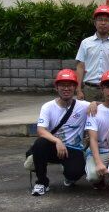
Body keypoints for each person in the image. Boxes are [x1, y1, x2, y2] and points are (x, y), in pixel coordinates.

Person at [27, 68, 91, 196]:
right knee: (40, 143)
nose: (66, 88)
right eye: (62, 85)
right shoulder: (48, 107)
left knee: (75, 173)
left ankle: (69, 176)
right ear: (56, 87)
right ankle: (42, 182)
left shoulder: (84, 105)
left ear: (75, 87)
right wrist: (57, 141)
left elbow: (105, 106)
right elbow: (41, 130)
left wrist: (94, 103)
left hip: (73, 149)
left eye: (70, 85)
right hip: (53, 147)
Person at [75, 5, 109, 102]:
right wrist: (78, 90)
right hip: (89, 90)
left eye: (106, 20)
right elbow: (80, 66)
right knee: (89, 112)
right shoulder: (85, 43)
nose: (103, 23)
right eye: (100, 20)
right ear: (95, 22)